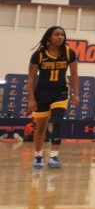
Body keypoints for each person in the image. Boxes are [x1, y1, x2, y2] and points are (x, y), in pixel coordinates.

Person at [27, 25, 79, 169]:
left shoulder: (69, 53)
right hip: (42, 93)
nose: (60, 37)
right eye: (56, 34)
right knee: (40, 128)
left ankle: (54, 157)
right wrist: (31, 99)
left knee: (57, 121)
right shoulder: (39, 54)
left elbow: (74, 74)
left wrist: (76, 94)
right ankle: (38, 156)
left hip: (60, 92)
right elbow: (31, 78)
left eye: (62, 35)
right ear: (49, 37)